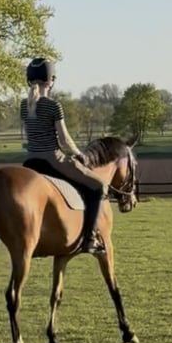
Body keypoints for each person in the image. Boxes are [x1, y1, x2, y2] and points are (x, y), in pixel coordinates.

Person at [20, 57, 107, 254]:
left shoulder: (24, 105)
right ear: (51, 81)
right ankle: (89, 239)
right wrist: (79, 154)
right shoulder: (53, 106)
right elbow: (64, 139)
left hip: (30, 161)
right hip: (53, 161)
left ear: (29, 80)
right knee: (98, 186)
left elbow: (28, 133)